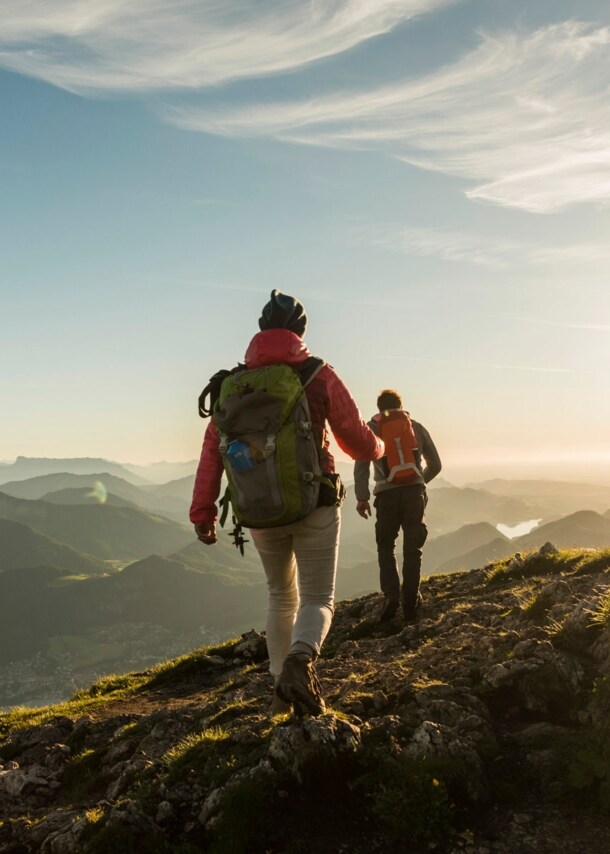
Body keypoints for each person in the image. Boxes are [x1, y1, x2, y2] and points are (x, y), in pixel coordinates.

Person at [190, 290, 384, 716]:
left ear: (261, 332)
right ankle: (301, 662)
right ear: (300, 332)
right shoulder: (317, 374)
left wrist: (203, 513)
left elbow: (211, 454)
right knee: (317, 598)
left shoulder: (231, 386)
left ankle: (280, 695)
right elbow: (355, 438)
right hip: (314, 503)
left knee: (280, 594)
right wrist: (379, 447)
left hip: (257, 510)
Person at [354, 388, 441, 622]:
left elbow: (361, 466)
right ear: (400, 406)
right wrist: (419, 480)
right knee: (413, 548)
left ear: (379, 408)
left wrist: (362, 497)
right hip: (414, 495)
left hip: (386, 496)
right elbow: (436, 464)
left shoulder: (371, 430)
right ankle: (411, 602)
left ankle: (391, 596)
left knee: (386, 545)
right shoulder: (416, 427)